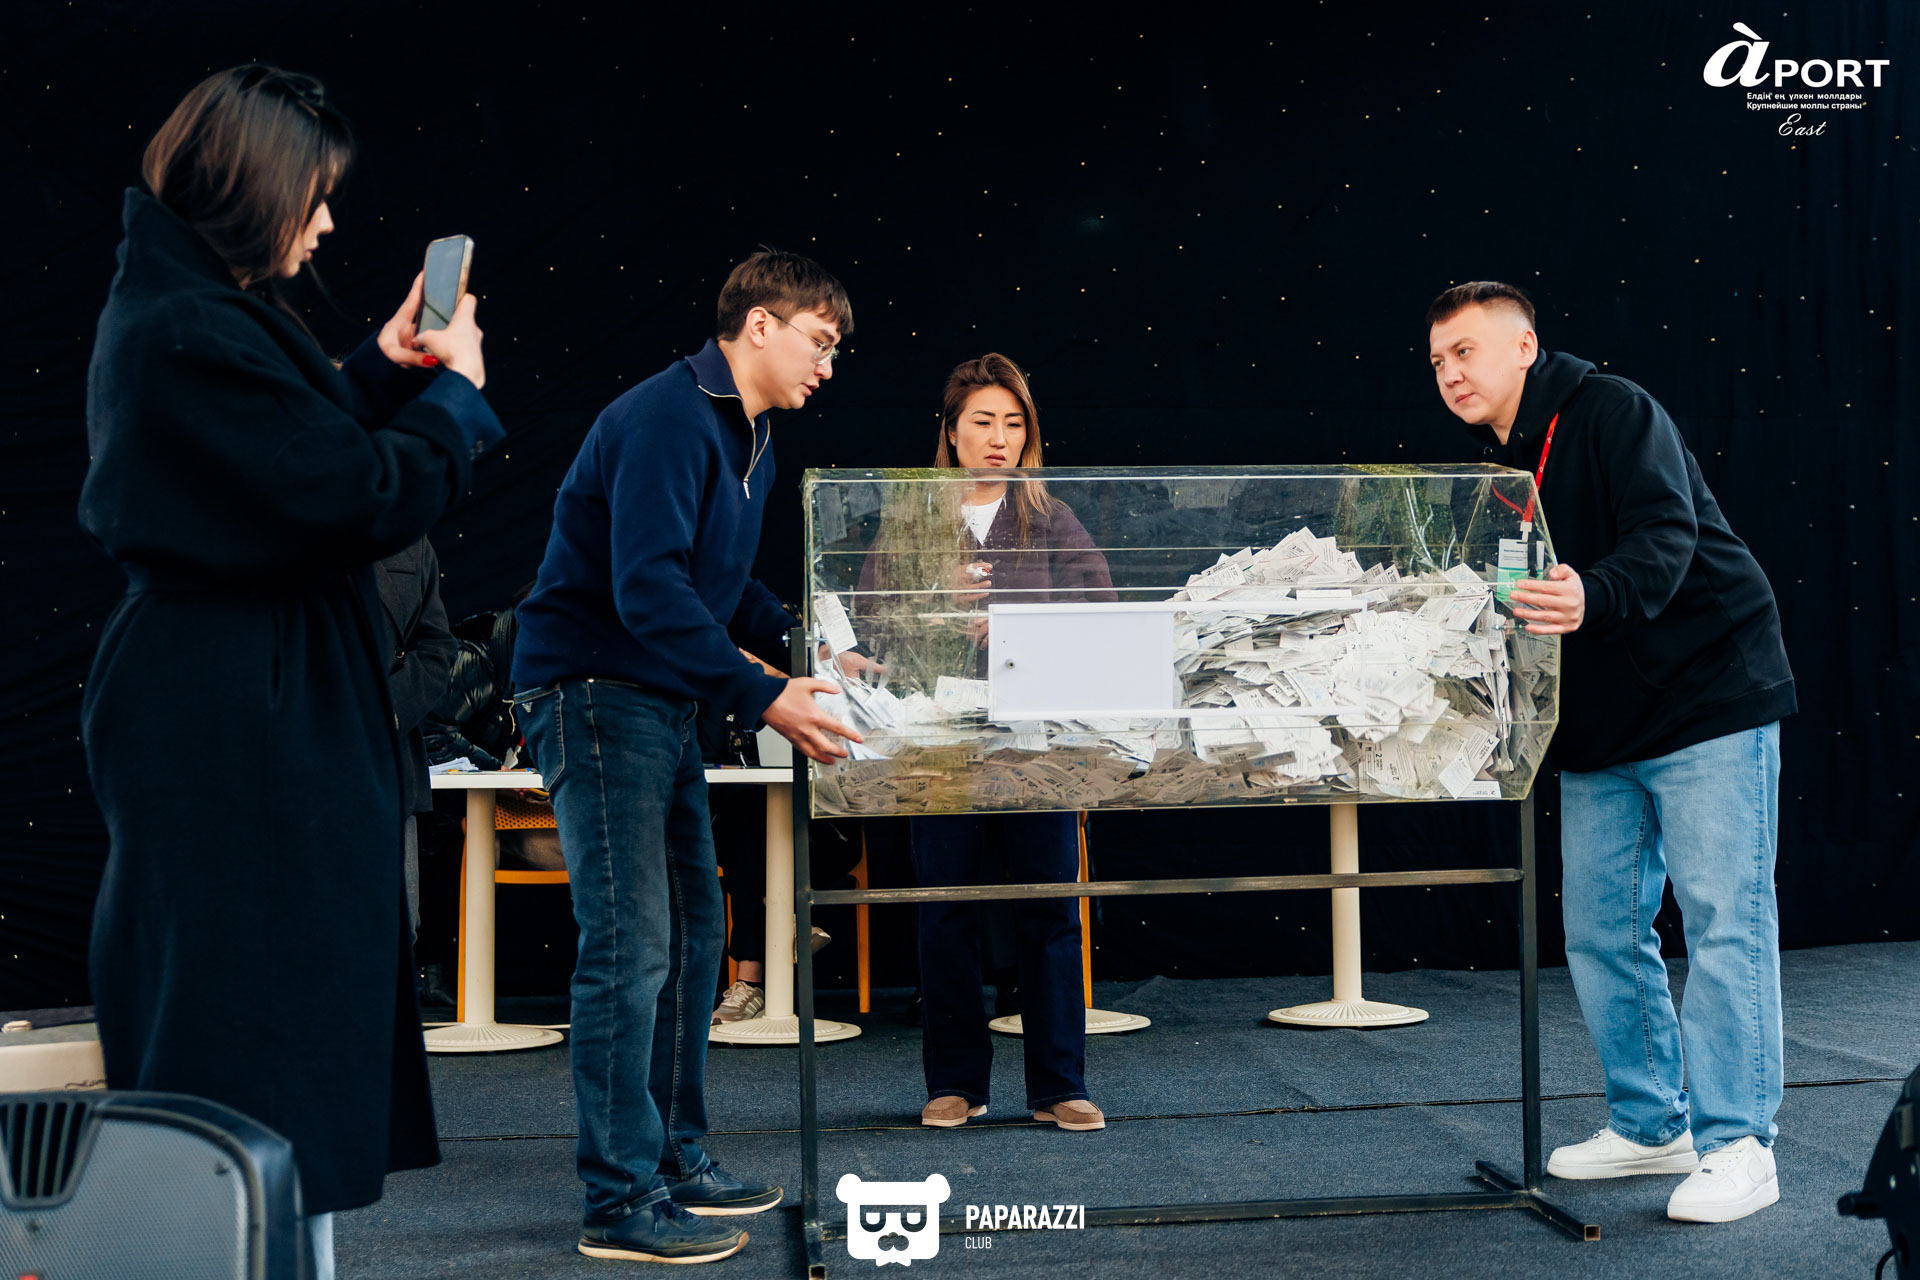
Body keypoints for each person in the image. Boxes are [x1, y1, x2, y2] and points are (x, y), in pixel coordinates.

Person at [78, 64, 501, 1275]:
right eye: (312, 197)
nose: (323, 225)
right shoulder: (190, 327)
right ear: (255, 188)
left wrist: (380, 368)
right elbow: (347, 493)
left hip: (238, 690)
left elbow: (285, 444)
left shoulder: (186, 310)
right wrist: (456, 400)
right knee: (255, 1024)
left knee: (268, 1020)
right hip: (238, 707)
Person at [509, 250, 861, 1265]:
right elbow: (649, 590)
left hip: (657, 699)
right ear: (760, 324)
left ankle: (672, 1159)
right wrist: (764, 693)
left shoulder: (752, 436)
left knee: (697, 936)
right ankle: (618, 1200)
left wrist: (810, 647)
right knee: (631, 945)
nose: (827, 367)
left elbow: (723, 584)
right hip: (592, 691)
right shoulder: (667, 416)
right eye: (819, 342)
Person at [1426, 282, 1795, 1223]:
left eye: (1466, 351)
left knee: (1725, 920)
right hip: (1599, 726)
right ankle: (1650, 1123)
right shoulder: (1492, 470)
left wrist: (1593, 593)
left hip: (1707, 695)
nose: (1451, 373)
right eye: (1437, 361)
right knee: (1598, 929)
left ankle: (1740, 1144)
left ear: (1525, 347)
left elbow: (1668, 537)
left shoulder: (1613, 410)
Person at [864, 353, 1115, 1133]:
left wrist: (1011, 630)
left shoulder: (1050, 517)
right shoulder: (913, 521)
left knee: (1050, 910)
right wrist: (936, 605)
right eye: (983, 421)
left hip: (1038, 744)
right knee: (944, 912)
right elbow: (873, 619)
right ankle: (954, 1084)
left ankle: (1059, 1085)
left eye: (1013, 423)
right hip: (941, 743)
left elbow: (1100, 611)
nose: (999, 438)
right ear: (950, 431)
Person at [373, 538, 459, 949]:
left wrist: (382, 712)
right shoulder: (280, 516)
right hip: (288, 764)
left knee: (395, 931)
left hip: (387, 768)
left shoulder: (409, 539)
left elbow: (436, 645)